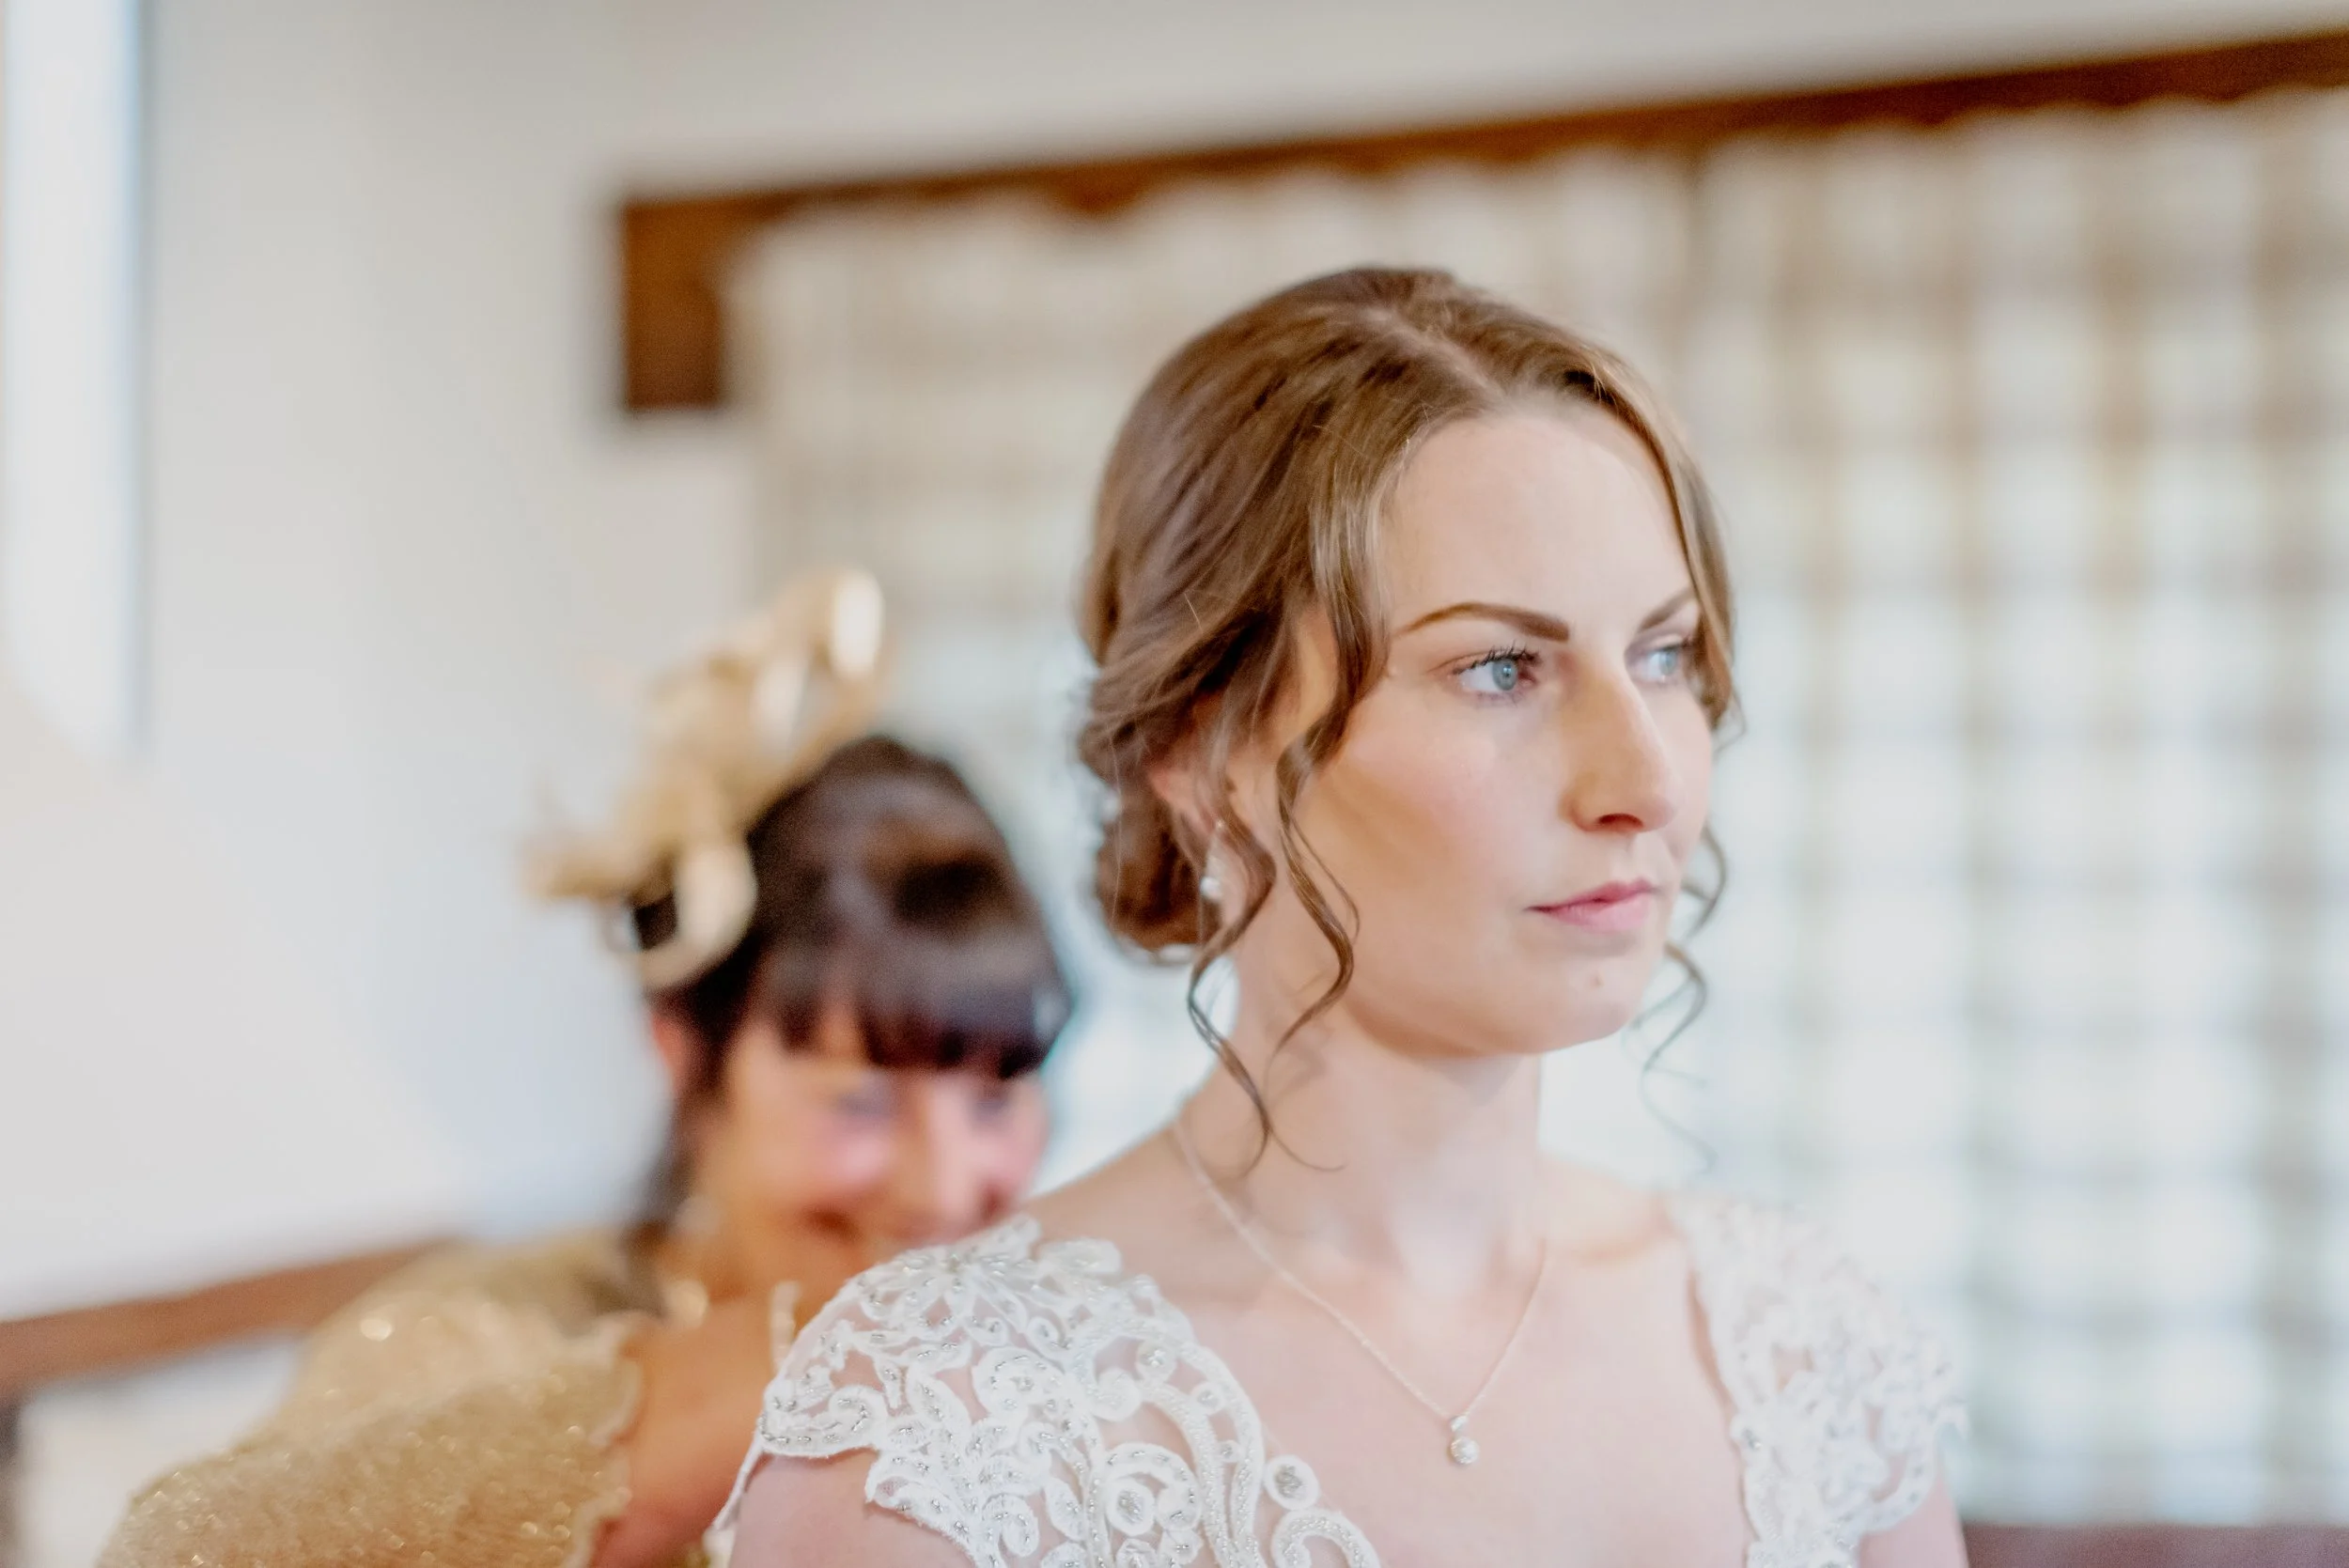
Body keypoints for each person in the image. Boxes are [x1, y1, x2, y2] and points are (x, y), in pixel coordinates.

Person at [722, 271, 1967, 1567]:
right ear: (1205, 751)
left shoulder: (1810, 1352)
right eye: (1500, 668)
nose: (1647, 780)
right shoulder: (940, 1429)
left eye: (1664, 656)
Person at [101, 571, 1074, 1568]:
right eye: (858, 1097)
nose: (949, 1184)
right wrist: (761, 1373)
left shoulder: (1095, 1373)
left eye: (997, 1095)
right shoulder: (489, 1341)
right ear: (684, 1053)